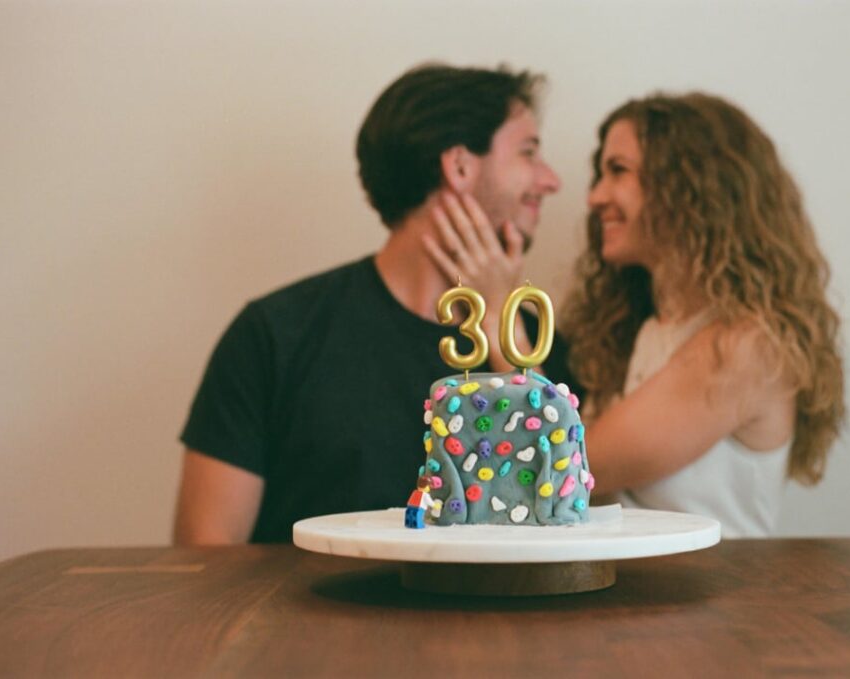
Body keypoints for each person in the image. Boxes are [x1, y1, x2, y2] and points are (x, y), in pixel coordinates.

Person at [173, 63, 564, 545]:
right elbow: (205, 563)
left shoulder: (536, 347)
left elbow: (560, 519)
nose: (551, 181)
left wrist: (504, 324)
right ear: (460, 166)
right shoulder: (275, 335)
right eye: (529, 152)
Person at [562, 92, 845, 536]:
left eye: (617, 170)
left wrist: (500, 318)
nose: (596, 197)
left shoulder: (748, 346)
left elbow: (570, 463)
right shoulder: (648, 328)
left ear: (689, 183)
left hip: (717, 599)